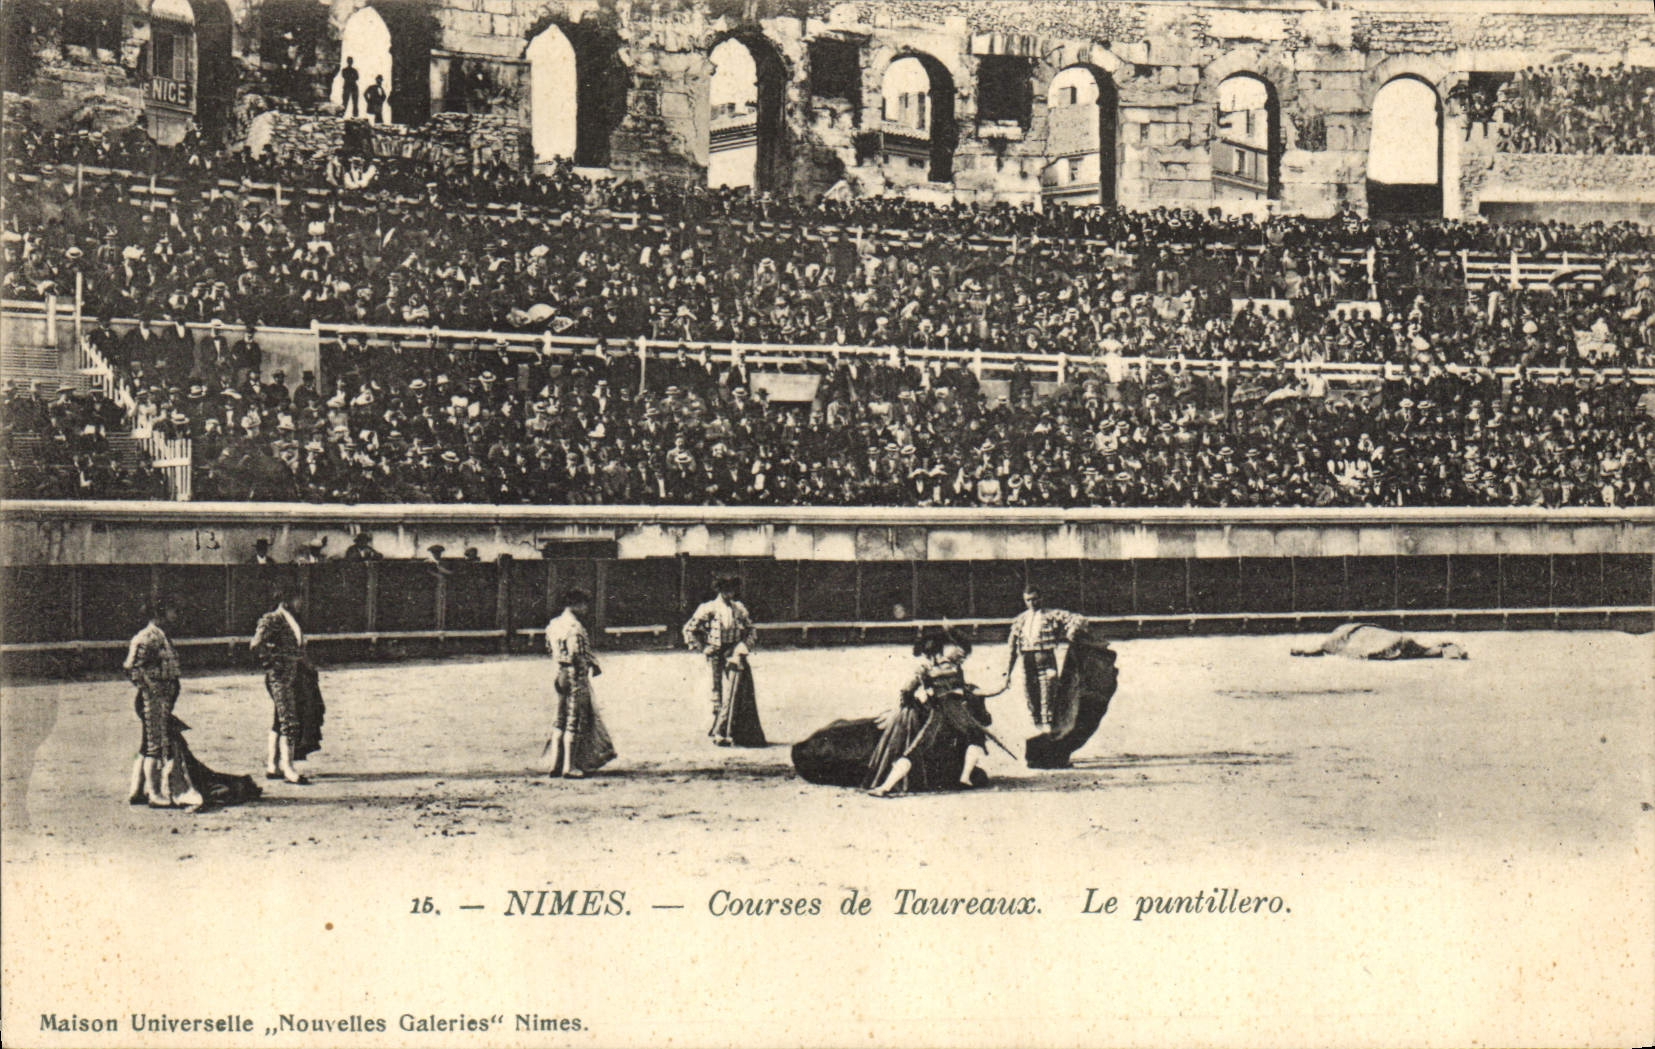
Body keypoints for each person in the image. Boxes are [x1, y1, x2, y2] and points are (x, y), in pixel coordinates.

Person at [867, 629, 991, 796]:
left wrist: (917, 701)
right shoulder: (953, 667)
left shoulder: (925, 669)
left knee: (914, 750)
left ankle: (885, 787)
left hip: (936, 714)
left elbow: (906, 692)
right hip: (956, 714)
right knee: (975, 736)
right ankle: (965, 777)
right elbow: (962, 688)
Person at [122, 599, 199, 810]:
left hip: (159, 698)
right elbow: (131, 667)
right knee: (155, 746)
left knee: (147, 744)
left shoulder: (160, 635)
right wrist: (150, 689)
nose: (175, 616)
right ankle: (155, 795)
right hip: (153, 700)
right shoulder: (148, 637)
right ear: (159, 615)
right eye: (172, 611)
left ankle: (137, 791)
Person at [250, 588, 324, 784]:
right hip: (280, 678)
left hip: (293, 677)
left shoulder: (291, 619)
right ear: (286, 601)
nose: (301, 603)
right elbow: (256, 644)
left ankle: (273, 766)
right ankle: (288, 768)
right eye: (298, 599)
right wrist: (272, 663)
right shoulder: (273, 618)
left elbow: (297, 650)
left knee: (280, 718)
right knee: (289, 720)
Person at [541, 589, 616, 778]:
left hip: (559, 674)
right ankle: (570, 766)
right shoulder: (575, 627)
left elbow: (549, 647)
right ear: (576, 604)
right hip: (575, 676)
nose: (586, 609)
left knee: (560, 719)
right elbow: (576, 653)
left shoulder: (553, 624)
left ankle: (555, 765)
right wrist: (587, 667)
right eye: (584, 605)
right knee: (574, 721)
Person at [682, 575, 758, 746]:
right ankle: (717, 728)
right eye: (726, 590)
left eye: (732, 590)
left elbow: (751, 630)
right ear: (719, 590)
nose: (730, 594)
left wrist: (743, 646)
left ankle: (724, 729)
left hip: (732, 652)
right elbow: (689, 629)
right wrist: (703, 648)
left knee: (733, 690)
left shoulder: (739, 608)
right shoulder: (708, 608)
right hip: (716, 653)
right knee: (717, 690)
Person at [1003, 586, 1085, 733]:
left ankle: (1048, 726)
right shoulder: (1020, 620)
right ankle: (1037, 726)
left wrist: (1072, 630)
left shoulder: (1051, 615)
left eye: (1034, 599)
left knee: (1048, 693)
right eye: (1028, 600)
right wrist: (1008, 673)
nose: (1032, 603)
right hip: (1027, 662)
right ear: (1024, 601)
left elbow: (1078, 619)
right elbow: (1012, 649)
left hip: (1046, 660)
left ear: (1041, 598)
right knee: (1030, 694)